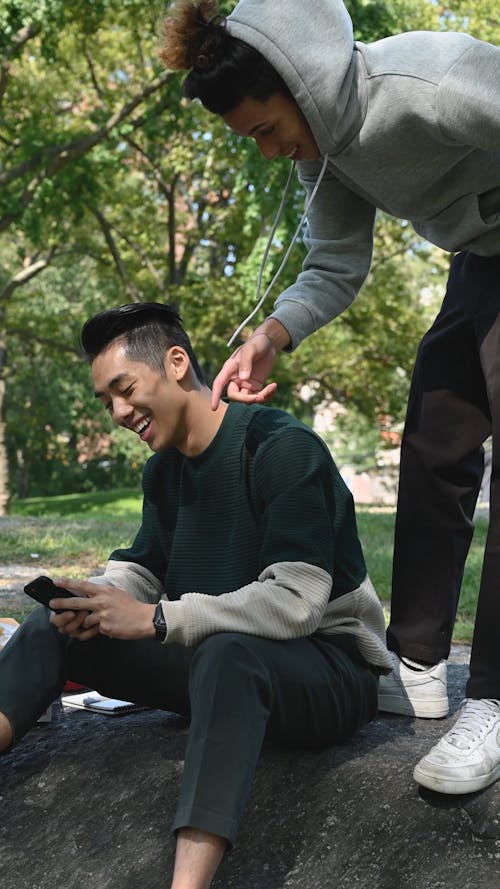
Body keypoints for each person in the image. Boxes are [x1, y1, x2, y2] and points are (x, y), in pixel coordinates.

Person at [158, 0, 500, 796]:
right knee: (435, 443)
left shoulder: (428, 81)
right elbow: (337, 264)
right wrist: (271, 336)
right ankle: (416, 663)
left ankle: (490, 698)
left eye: (267, 129)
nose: (273, 152)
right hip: (479, 260)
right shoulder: (327, 150)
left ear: (303, 86)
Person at [0, 302, 391, 889]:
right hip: (216, 661)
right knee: (50, 624)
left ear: (177, 363)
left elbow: (297, 600)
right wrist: (98, 599)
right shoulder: (163, 472)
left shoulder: (281, 447)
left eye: (124, 389)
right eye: (106, 402)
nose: (118, 412)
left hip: (325, 669)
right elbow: (143, 571)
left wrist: (156, 621)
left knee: (227, 655)